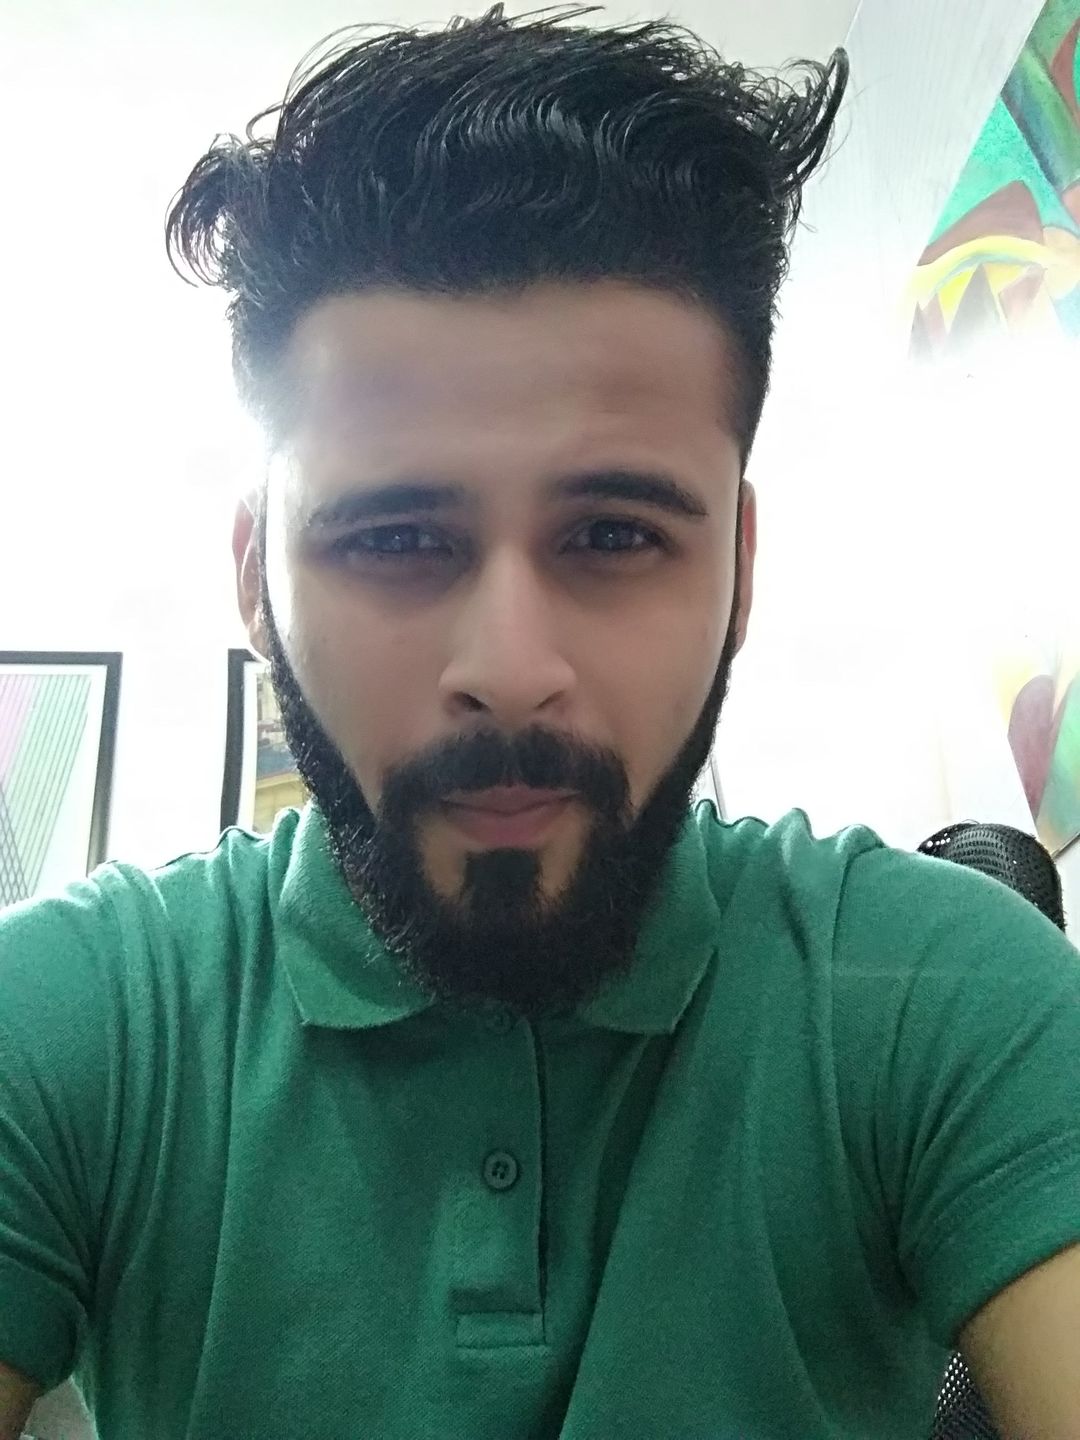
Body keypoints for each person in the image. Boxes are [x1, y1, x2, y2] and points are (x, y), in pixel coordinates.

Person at [2, 7, 1080, 1438]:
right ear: (258, 578)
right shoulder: (63, 1025)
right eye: (395, 538)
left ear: (741, 566)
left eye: (615, 535)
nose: (509, 671)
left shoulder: (944, 993)